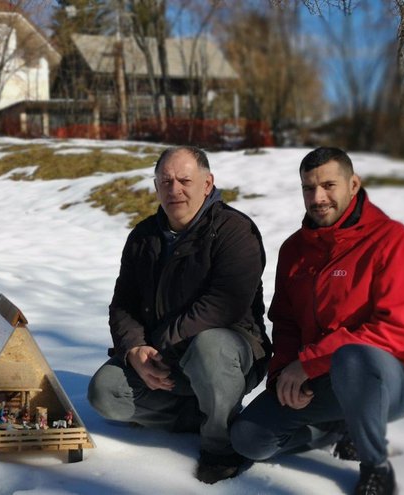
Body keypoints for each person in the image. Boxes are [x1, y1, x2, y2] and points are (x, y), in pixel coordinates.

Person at [230, 147, 404, 495]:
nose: (318, 198)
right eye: (308, 188)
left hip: (390, 380)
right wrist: (283, 373)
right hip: (320, 377)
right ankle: (337, 427)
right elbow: (285, 322)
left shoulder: (392, 240)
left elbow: (396, 331)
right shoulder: (294, 250)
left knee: (353, 358)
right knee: (248, 439)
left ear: (353, 184)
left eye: (329, 185)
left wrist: (309, 363)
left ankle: (375, 466)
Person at [87, 146, 272, 484]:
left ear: (207, 183)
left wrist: (159, 346)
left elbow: (223, 305)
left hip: (229, 353)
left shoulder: (234, 231)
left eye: (185, 180)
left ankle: (220, 444)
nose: (175, 189)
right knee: (104, 391)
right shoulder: (143, 237)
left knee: (209, 347)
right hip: (163, 361)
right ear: (156, 186)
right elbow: (123, 304)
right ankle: (205, 411)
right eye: (165, 181)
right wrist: (134, 350)